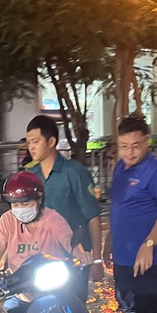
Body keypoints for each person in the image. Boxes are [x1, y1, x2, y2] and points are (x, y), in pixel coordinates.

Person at [103, 115, 157, 313]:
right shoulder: (119, 168)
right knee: (125, 302)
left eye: (136, 146)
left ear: (147, 141)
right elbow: (119, 207)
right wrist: (108, 242)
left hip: (147, 255)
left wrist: (149, 244)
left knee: (149, 305)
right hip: (123, 254)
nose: (130, 152)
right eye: (124, 146)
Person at [0, 172, 92, 313]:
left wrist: (80, 254)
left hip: (53, 290)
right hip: (19, 292)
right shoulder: (7, 220)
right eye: (15, 204)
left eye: (25, 203)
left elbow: (68, 240)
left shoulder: (52, 218)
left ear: (39, 199)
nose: (20, 209)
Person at [25, 115, 103, 299]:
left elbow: (93, 216)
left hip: (74, 257)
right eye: (29, 142)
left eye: (35, 141)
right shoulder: (31, 176)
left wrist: (97, 260)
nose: (31, 147)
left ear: (51, 141)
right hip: (42, 257)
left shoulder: (75, 173)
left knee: (73, 310)